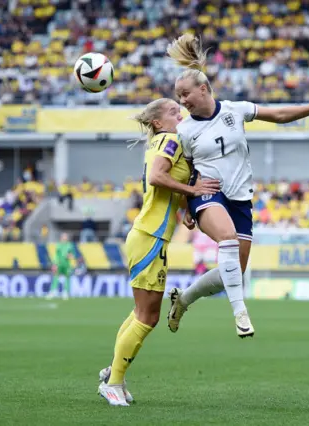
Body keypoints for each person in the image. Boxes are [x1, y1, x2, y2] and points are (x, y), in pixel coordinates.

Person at [165, 33, 309, 338]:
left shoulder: (235, 110)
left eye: (185, 94)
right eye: (178, 97)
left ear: (203, 89)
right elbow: (184, 171)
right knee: (228, 240)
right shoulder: (183, 130)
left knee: (231, 272)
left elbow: (280, 114)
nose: (182, 102)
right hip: (208, 193)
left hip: (240, 197)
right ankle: (241, 313)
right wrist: (187, 205)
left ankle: (184, 300)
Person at [97, 98, 220, 407]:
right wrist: (193, 192)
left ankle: (116, 375)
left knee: (141, 313)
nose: (181, 114)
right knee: (148, 317)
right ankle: (113, 382)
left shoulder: (160, 142)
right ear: (158, 122)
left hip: (147, 235)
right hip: (149, 236)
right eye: (173, 111)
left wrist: (184, 209)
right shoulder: (171, 139)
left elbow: (164, 187)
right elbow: (156, 177)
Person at [45, 232, 74, 300]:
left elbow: (72, 255)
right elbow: (56, 255)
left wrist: (69, 256)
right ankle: (53, 291)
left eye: (66, 236)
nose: (65, 238)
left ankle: (66, 292)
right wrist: (54, 264)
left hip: (66, 264)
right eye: (64, 236)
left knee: (67, 278)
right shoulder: (58, 245)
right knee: (56, 277)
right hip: (59, 264)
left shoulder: (70, 245)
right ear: (61, 238)